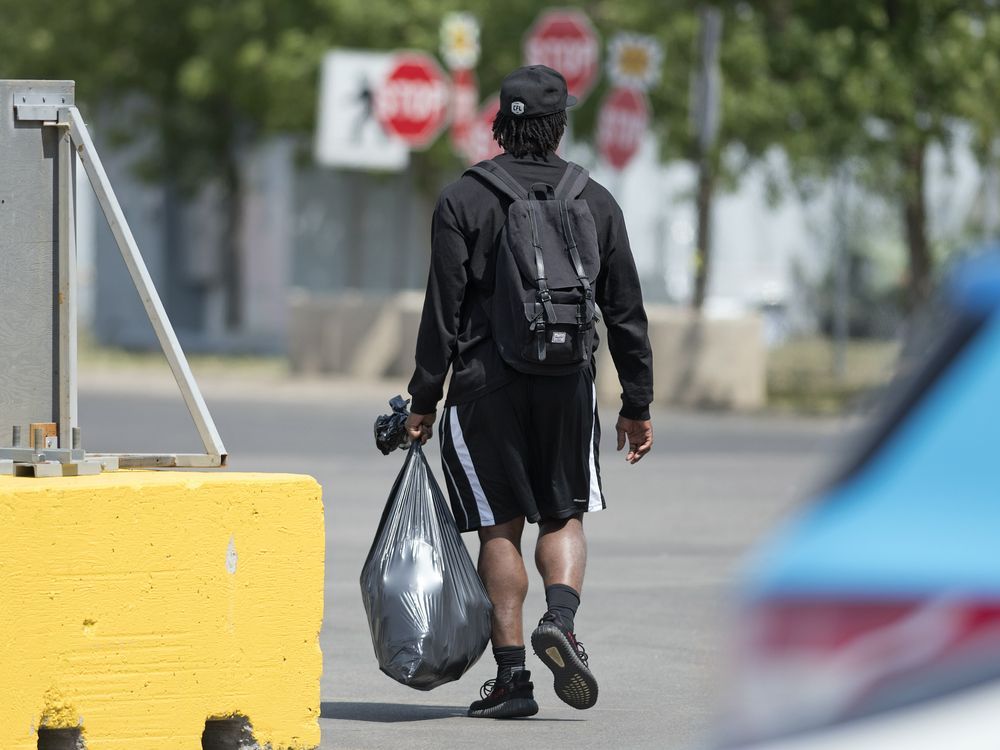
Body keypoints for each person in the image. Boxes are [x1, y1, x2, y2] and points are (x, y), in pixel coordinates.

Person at [405, 65, 653, 719]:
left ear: (501, 125)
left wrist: (424, 399)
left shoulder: (465, 197)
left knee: (498, 528)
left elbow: (443, 313)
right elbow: (625, 313)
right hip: (569, 387)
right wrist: (637, 404)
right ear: (559, 125)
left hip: (487, 391)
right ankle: (561, 622)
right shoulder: (595, 199)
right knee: (562, 515)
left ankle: (513, 678)